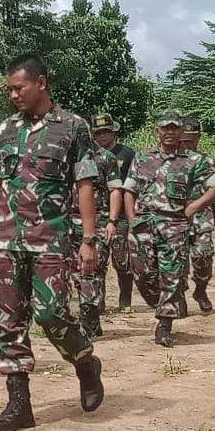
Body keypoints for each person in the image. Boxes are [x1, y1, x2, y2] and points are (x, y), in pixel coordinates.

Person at [0, 53, 105, 431]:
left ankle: (85, 362)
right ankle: (19, 403)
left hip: (50, 240)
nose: (13, 95)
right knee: (8, 321)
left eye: (19, 88)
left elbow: (85, 185)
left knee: (51, 314)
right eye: (9, 90)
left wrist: (88, 240)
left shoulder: (72, 128)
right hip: (5, 240)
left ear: (41, 83)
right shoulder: (5, 130)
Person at [123, 109, 215, 347]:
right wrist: (131, 218)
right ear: (157, 131)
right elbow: (130, 189)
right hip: (143, 224)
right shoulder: (143, 158)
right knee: (143, 274)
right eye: (165, 128)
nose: (169, 132)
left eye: (174, 128)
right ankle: (162, 302)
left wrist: (194, 207)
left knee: (171, 274)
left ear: (181, 131)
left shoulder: (194, 160)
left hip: (174, 226)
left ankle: (164, 324)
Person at [71, 116, 123, 338]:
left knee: (90, 269)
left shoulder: (105, 158)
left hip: (99, 220)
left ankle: (88, 316)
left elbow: (115, 190)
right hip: (69, 220)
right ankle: (91, 315)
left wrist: (112, 221)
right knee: (75, 271)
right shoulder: (67, 158)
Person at [180, 117, 215, 312]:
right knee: (177, 262)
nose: (186, 144)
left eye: (190, 140)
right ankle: (179, 298)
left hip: (202, 218)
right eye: (183, 140)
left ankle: (200, 290)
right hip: (176, 220)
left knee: (203, 256)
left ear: (198, 138)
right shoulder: (168, 161)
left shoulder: (206, 161)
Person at [91, 113, 137, 313]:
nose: (103, 136)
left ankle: (125, 300)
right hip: (98, 215)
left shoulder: (127, 154)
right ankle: (98, 304)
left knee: (123, 261)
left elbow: (133, 186)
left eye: (106, 131)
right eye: (99, 132)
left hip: (122, 217)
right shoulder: (88, 156)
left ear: (114, 131)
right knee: (97, 262)